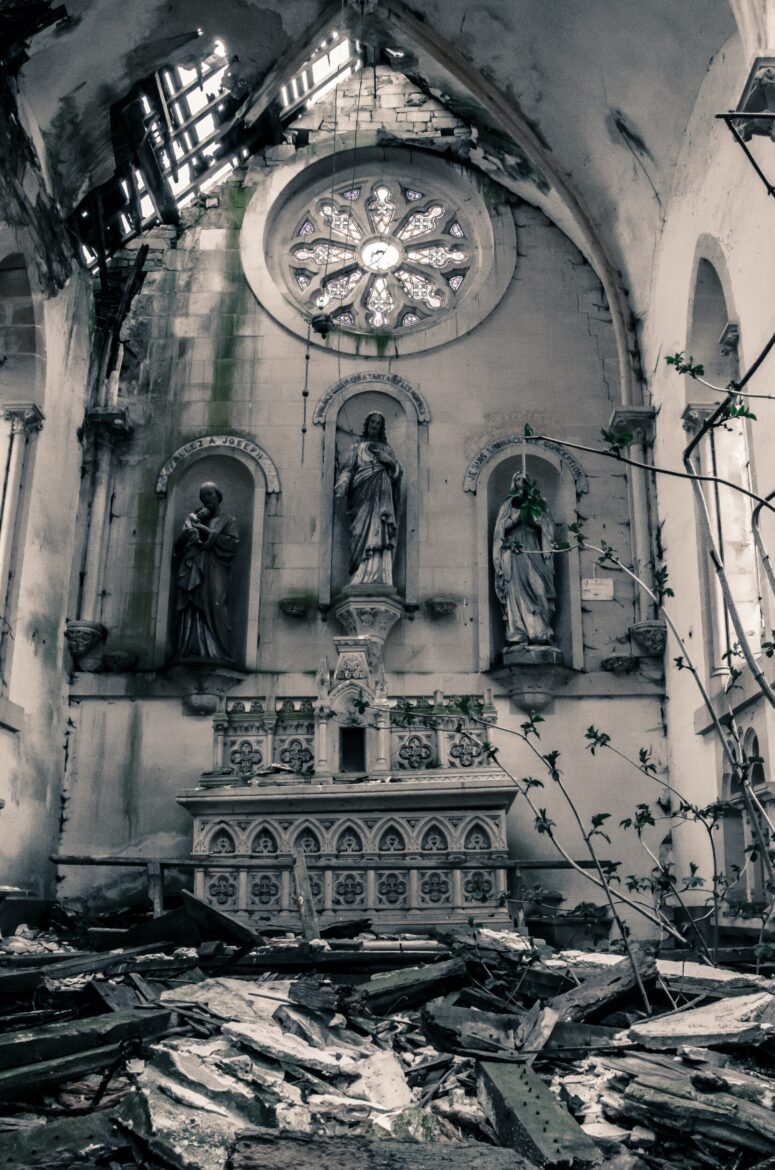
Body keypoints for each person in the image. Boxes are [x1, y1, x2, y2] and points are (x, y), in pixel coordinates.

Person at [173, 481, 239, 663]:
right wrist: (190, 532)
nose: (206, 499)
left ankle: (217, 650)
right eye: (203, 496)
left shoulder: (228, 520)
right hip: (193, 567)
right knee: (192, 605)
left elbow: (232, 544)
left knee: (216, 604)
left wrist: (205, 531)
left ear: (218, 496)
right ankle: (190, 647)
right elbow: (177, 548)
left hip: (215, 569)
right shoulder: (194, 520)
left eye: (209, 494)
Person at [334, 411, 402, 588]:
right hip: (361, 494)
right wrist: (342, 484)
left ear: (381, 427)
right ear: (367, 424)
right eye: (372, 422)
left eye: (378, 423)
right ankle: (360, 574)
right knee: (359, 532)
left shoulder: (387, 449)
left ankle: (380, 575)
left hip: (383, 494)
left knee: (381, 530)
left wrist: (390, 461)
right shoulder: (357, 448)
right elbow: (348, 470)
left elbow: (397, 475)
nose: (375, 425)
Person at [492, 472, 556, 646]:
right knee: (515, 590)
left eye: (525, 479)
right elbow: (500, 529)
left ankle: (540, 630)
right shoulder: (508, 504)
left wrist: (535, 515)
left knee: (539, 588)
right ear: (514, 483)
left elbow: (546, 526)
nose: (522, 482)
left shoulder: (537, 503)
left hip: (533, 548)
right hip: (513, 551)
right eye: (519, 479)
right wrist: (516, 517)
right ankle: (518, 632)